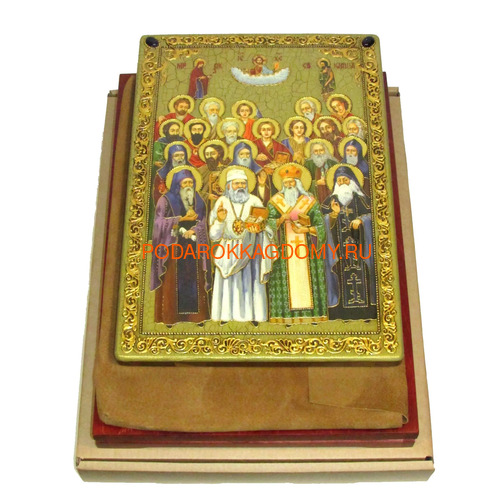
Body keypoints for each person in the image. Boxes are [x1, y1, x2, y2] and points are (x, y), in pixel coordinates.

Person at [209, 167, 275, 322]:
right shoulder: (222, 202)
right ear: (229, 185)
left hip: (250, 248)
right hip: (228, 248)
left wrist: (259, 228)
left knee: (251, 283)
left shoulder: (255, 201)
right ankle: (226, 317)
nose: (240, 186)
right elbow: (213, 236)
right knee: (229, 285)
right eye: (236, 183)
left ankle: (255, 317)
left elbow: (265, 225)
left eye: (243, 183)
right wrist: (220, 220)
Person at [267, 164, 328, 324]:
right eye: (286, 183)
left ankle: (313, 316)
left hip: (307, 250)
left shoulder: (310, 201)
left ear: (298, 183)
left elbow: (320, 226)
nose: (289, 185)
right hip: (284, 251)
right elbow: (269, 223)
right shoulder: (275, 202)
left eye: (292, 182)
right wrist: (280, 219)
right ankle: (284, 317)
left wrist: (306, 230)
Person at [150, 167, 211, 324]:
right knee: (172, 282)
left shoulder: (198, 200)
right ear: (177, 184)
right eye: (185, 183)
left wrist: (194, 230)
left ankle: (196, 318)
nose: (189, 186)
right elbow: (158, 223)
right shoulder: (165, 200)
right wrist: (180, 220)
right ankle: (171, 318)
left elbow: (204, 222)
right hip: (173, 247)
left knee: (195, 279)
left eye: (191, 182)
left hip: (193, 246)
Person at [321, 164, 376, 320]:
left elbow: (375, 217)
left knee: (363, 275)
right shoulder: (329, 201)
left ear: (352, 181)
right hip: (338, 247)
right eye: (339, 180)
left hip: (360, 246)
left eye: (345, 180)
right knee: (338, 273)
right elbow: (321, 221)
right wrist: (333, 215)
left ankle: (367, 312)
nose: (342, 183)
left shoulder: (363, 200)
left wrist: (362, 220)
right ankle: (340, 312)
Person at [304, 140, 337, 204]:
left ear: (325, 151)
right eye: (316, 151)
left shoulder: (333, 163)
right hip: (316, 194)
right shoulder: (308, 164)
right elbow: (305, 182)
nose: (319, 153)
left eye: (321, 150)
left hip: (330, 192)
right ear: (312, 152)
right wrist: (316, 183)